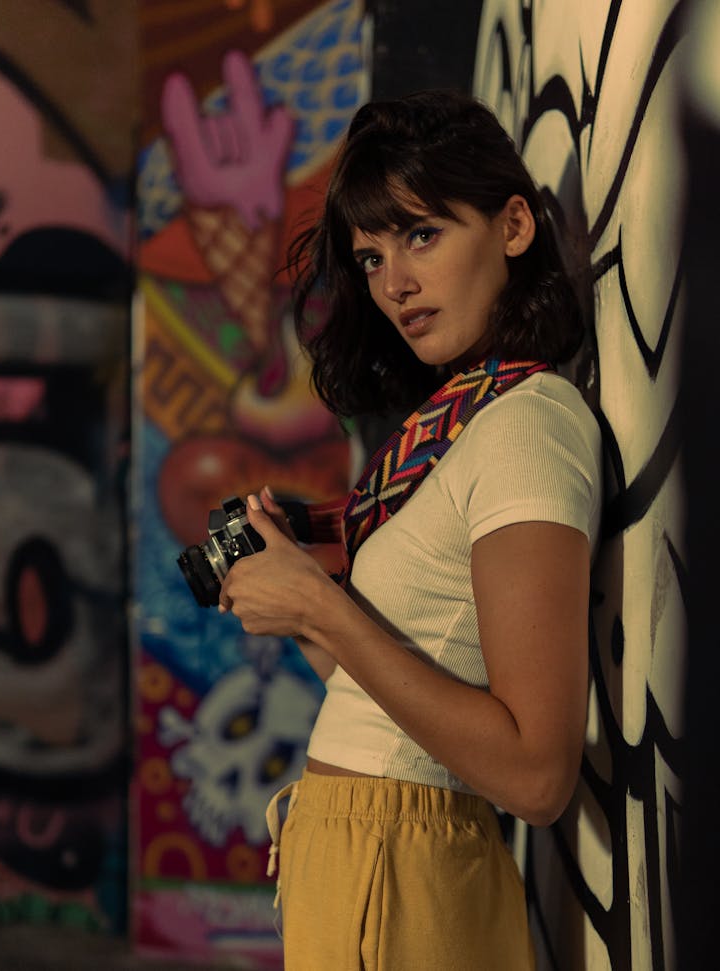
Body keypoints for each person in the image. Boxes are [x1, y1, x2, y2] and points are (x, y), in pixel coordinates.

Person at [218, 89, 602, 970]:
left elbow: (536, 774)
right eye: (369, 255)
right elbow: (391, 703)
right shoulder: (463, 418)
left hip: (404, 866)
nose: (394, 283)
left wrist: (322, 606)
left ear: (513, 227)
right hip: (361, 860)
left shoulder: (528, 423)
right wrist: (295, 600)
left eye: (422, 235)